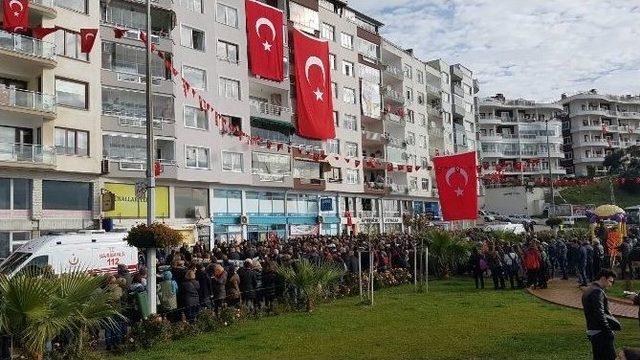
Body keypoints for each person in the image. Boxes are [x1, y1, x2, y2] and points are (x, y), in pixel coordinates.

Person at [582, 269, 619, 360]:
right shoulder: (597, 292)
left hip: (593, 329)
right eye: (610, 281)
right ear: (603, 278)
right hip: (600, 331)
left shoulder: (589, 289)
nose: (610, 285)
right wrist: (608, 330)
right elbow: (600, 313)